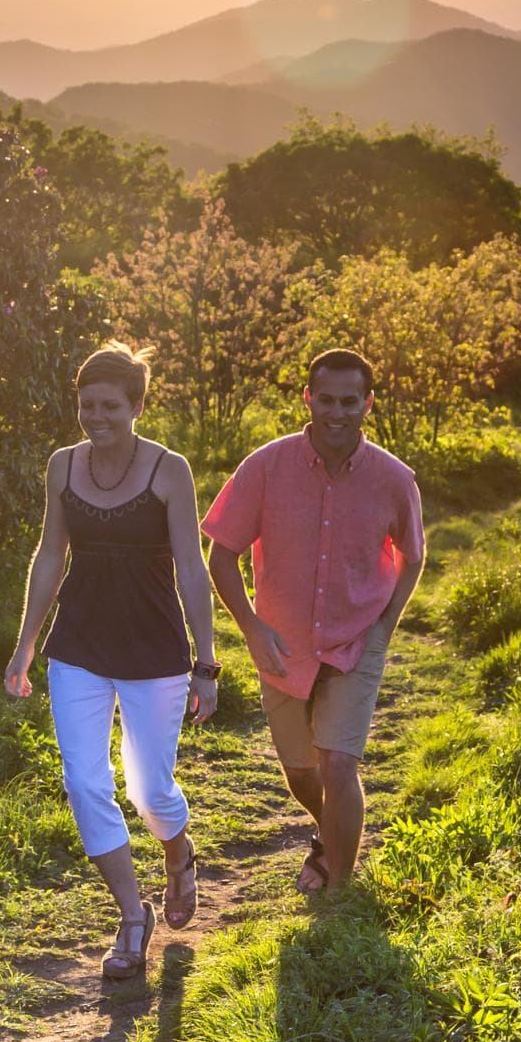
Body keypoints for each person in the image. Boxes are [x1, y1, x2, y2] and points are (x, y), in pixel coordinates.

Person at [5, 342, 219, 978]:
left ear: (137, 406)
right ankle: (132, 917)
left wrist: (205, 664)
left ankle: (177, 858)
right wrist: (25, 645)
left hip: (155, 649)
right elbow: (50, 556)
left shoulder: (169, 469)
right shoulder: (63, 466)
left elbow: (191, 564)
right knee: (85, 783)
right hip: (78, 648)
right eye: (86, 405)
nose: (95, 417)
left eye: (109, 406)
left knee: (151, 793)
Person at [202, 349, 424, 894]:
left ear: (367, 404)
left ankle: (340, 890)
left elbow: (412, 556)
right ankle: (328, 836)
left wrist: (385, 626)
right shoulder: (265, 466)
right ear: (308, 398)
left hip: (356, 639)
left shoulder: (395, 479)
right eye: (326, 399)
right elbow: (221, 555)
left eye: (350, 401)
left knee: (339, 764)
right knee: (303, 773)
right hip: (283, 644)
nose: (337, 412)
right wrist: (252, 628)